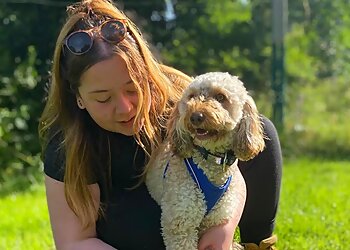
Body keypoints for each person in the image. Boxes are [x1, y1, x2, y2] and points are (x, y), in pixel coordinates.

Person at [39, 0, 282, 249]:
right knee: (141, 226)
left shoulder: (180, 100)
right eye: (103, 98)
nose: (125, 108)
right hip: (125, 230)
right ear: (78, 97)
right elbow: (74, 242)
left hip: (195, 202)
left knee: (262, 130)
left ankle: (257, 245)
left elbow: (230, 170)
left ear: (147, 74)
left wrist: (223, 227)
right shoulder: (67, 145)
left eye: (133, 89)